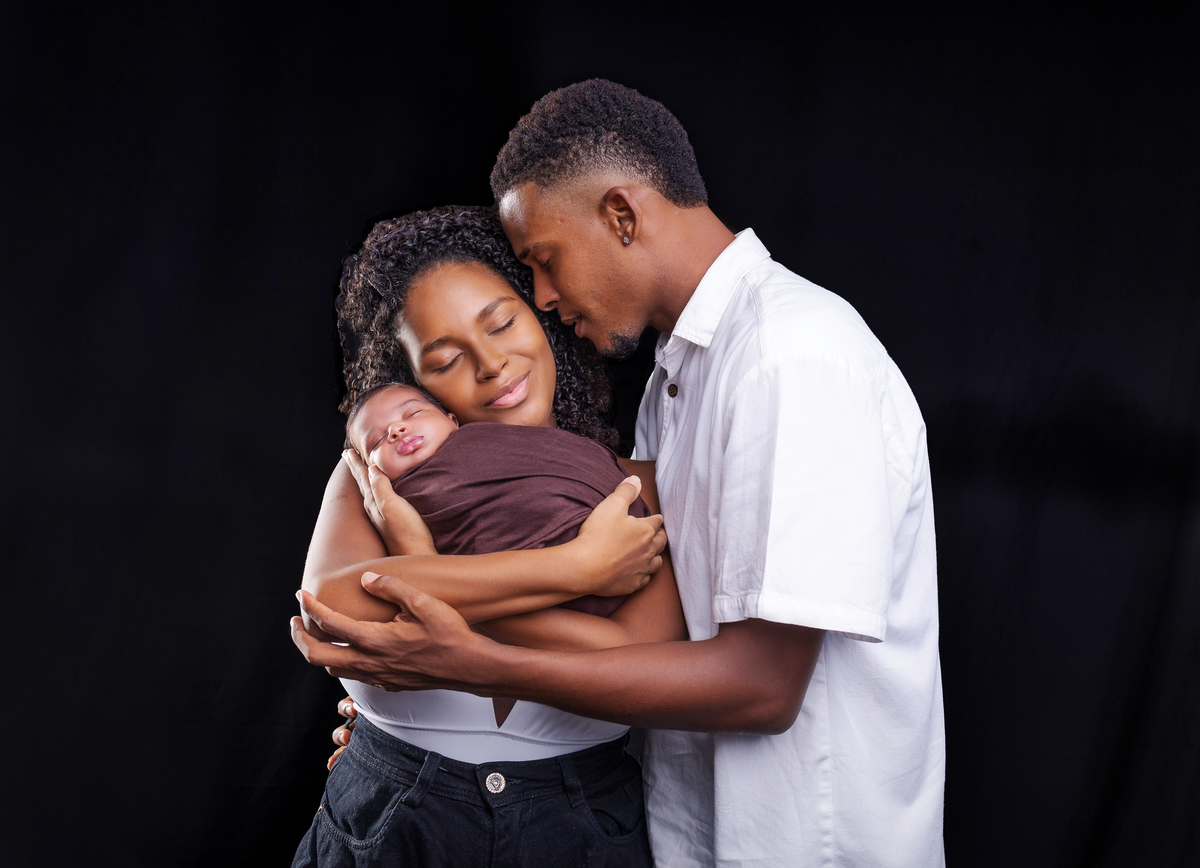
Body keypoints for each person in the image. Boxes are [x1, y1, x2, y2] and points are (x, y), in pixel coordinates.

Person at [295, 80, 945, 867]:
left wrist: (457, 641)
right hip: (669, 830)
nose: (540, 297)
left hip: (791, 844)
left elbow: (760, 687)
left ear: (622, 217)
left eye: (540, 264)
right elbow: (337, 607)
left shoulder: (790, 356)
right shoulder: (674, 386)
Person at [293, 205, 684, 867]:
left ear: (542, 314)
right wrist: (578, 571)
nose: (493, 365)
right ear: (420, 388)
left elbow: (639, 661)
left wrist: (424, 569)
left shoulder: (634, 485)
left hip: (584, 830)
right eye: (445, 360)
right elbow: (337, 605)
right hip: (390, 824)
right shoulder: (380, 471)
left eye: (502, 322)